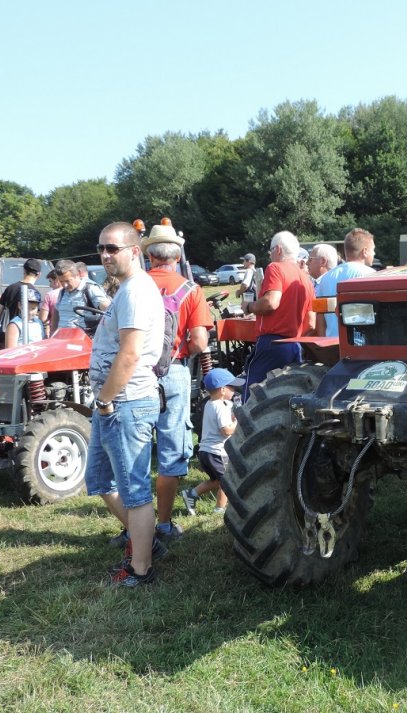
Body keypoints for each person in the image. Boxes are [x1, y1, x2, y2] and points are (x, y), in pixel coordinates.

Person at [85, 222, 165, 587]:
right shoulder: (126, 290)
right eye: (101, 248)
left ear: (134, 251)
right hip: (114, 403)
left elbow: (130, 354)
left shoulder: (135, 291)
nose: (105, 255)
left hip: (126, 402)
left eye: (112, 248)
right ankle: (144, 539)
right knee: (99, 480)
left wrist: (105, 400)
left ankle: (140, 569)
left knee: (134, 491)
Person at [139, 222, 212, 545]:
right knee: (171, 450)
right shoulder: (190, 290)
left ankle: (133, 525)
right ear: (177, 256)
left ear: (150, 255)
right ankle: (165, 524)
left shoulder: (133, 286)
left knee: (136, 450)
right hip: (173, 371)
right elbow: (199, 341)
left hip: (134, 374)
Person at [241, 230, 314, 400]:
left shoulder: (275, 268)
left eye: (271, 251)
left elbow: (271, 302)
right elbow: (311, 323)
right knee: (291, 395)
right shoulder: (305, 279)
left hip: (272, 343)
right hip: (296, 344)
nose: (270, 255)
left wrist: (249, 306)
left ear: (278, 249)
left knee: (252, 395)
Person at [181, 368, 240, 516]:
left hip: (205, 451)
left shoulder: (210, 404)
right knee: (227, 482)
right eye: (232, 387)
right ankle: (219, 510)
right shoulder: (221, 407)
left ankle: (191, 494)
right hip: (217, 452)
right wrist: (237, 423)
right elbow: (226, 431)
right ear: (222, 390)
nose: (234, 390)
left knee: (216, 481)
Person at [316, 228, 376, 337]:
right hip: (362, 342)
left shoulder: (325, 278)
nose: (374, 253)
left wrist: (323, 344)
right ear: (365, 251)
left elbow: (320, 319)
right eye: (373, 250)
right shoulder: (371, 275)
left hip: (331, 343)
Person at [53, 259, 110, 333]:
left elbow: (106, 306)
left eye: (67, 281)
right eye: (61, 282)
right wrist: (53, 333)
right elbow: (56, 313)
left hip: (83, 337)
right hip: (62, 337)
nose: (65, 285)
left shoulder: (90, 289)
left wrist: (107, 306)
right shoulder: (62, 292)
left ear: (77, 275)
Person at [0, 257, 42, 329]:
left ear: (24, 271)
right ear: (39, 274)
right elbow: (37, 315)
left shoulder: (10, 288)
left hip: (9, 329)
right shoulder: (35, 293)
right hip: (26, 330)